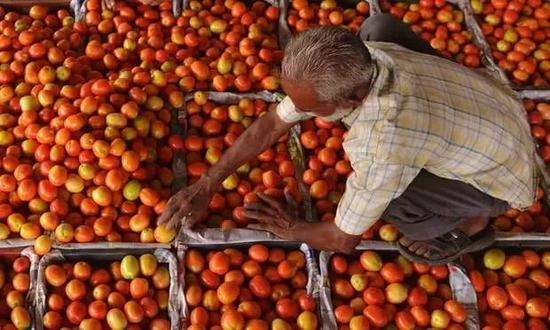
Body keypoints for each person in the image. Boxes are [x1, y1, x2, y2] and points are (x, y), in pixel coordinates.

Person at [159, 14, 538, 264]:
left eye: (314, 108)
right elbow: (273, 122)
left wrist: (291, 229)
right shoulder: (372, 55)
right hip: (495, 110)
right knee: (380, 25)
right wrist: (208, 181)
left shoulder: (381, 143)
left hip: (503, 175)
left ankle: (470, 225)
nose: (300, 111)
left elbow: (343, 239)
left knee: (391, 202)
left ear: (350, 100)